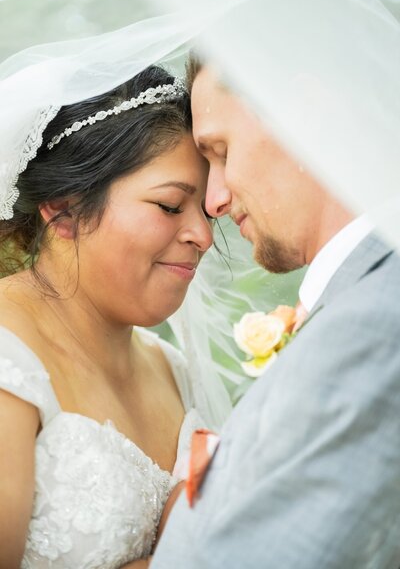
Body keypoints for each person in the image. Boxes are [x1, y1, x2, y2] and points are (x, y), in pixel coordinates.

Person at [145, 57, 400, 568]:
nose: (213, 201)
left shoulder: (371, 325)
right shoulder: (354, 306)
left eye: (221, 151)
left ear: (308, 115)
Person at [0, 63, 230, 569]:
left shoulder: (173, 368)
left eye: (208, 212)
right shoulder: (6, 359)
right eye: (171, 206)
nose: (203, 236)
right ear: (64, 210)